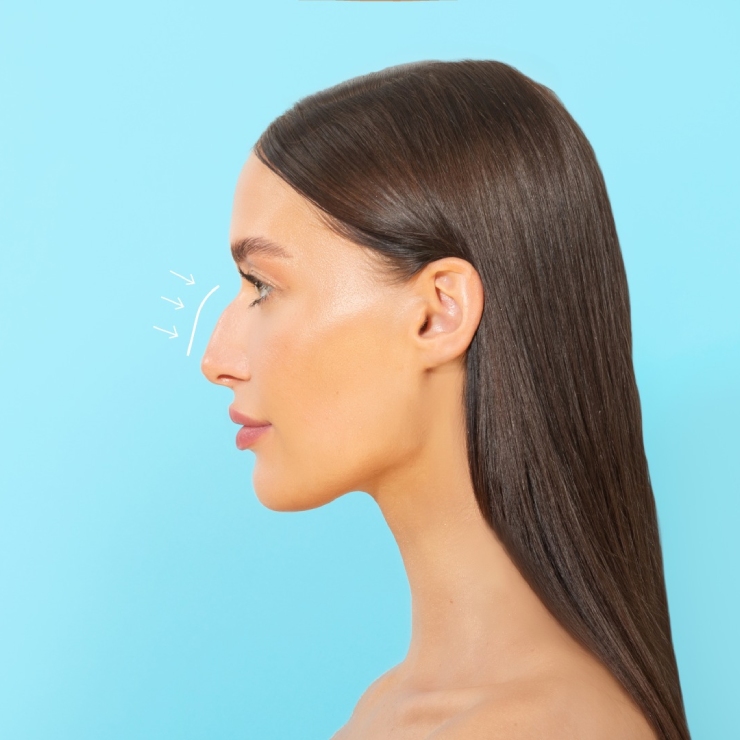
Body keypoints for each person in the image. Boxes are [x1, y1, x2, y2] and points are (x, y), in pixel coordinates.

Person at [200, 60, 691, 739]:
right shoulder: (392, 709)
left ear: (438, 313)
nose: (216, 360)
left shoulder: (535, 727)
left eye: (262, 286)